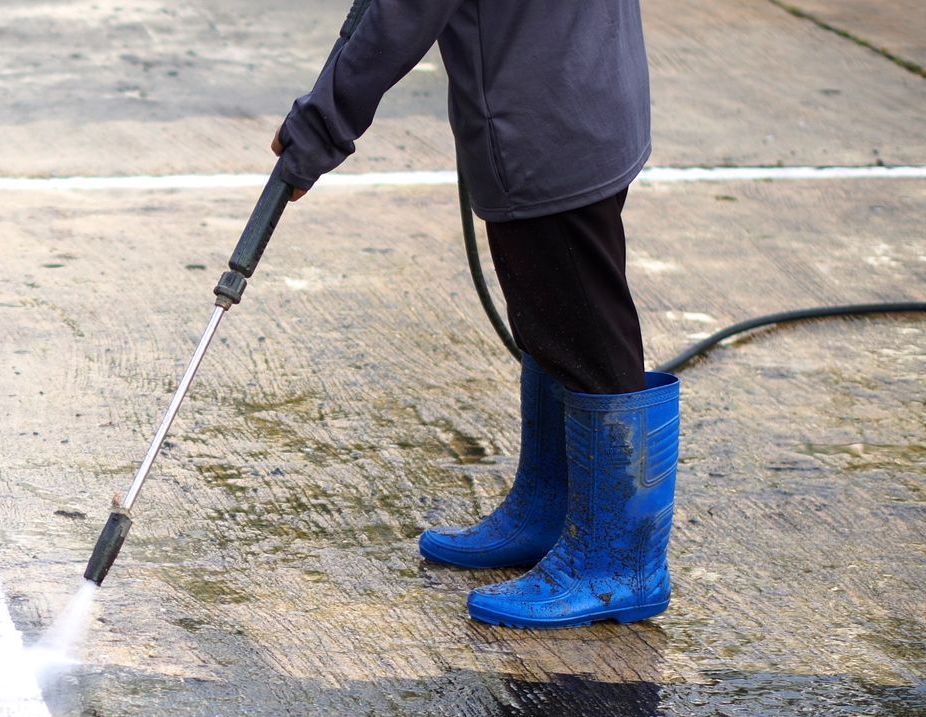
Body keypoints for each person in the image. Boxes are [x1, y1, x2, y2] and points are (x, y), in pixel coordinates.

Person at [271, 0, 679, 630]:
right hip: (588, 92)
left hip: (541, 122)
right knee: (554, 321)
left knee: (588, 341)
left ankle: (616, 566)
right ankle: (549, 511)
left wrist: (320, 128)